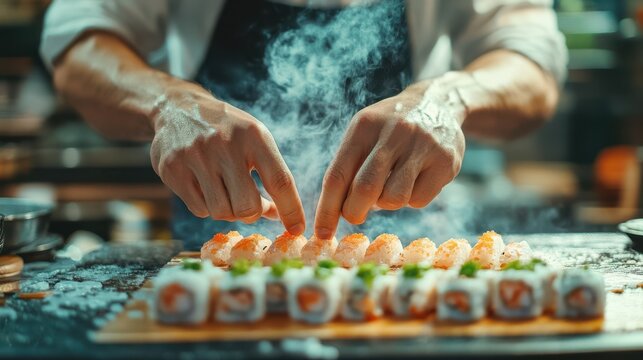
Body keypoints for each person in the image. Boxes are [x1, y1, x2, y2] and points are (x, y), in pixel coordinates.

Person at [41, 0, 567, 244]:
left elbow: (532, 67)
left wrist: (451, 97)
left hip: (409, 249)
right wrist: (166, 103)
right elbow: (78, 48)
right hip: (218, 253)